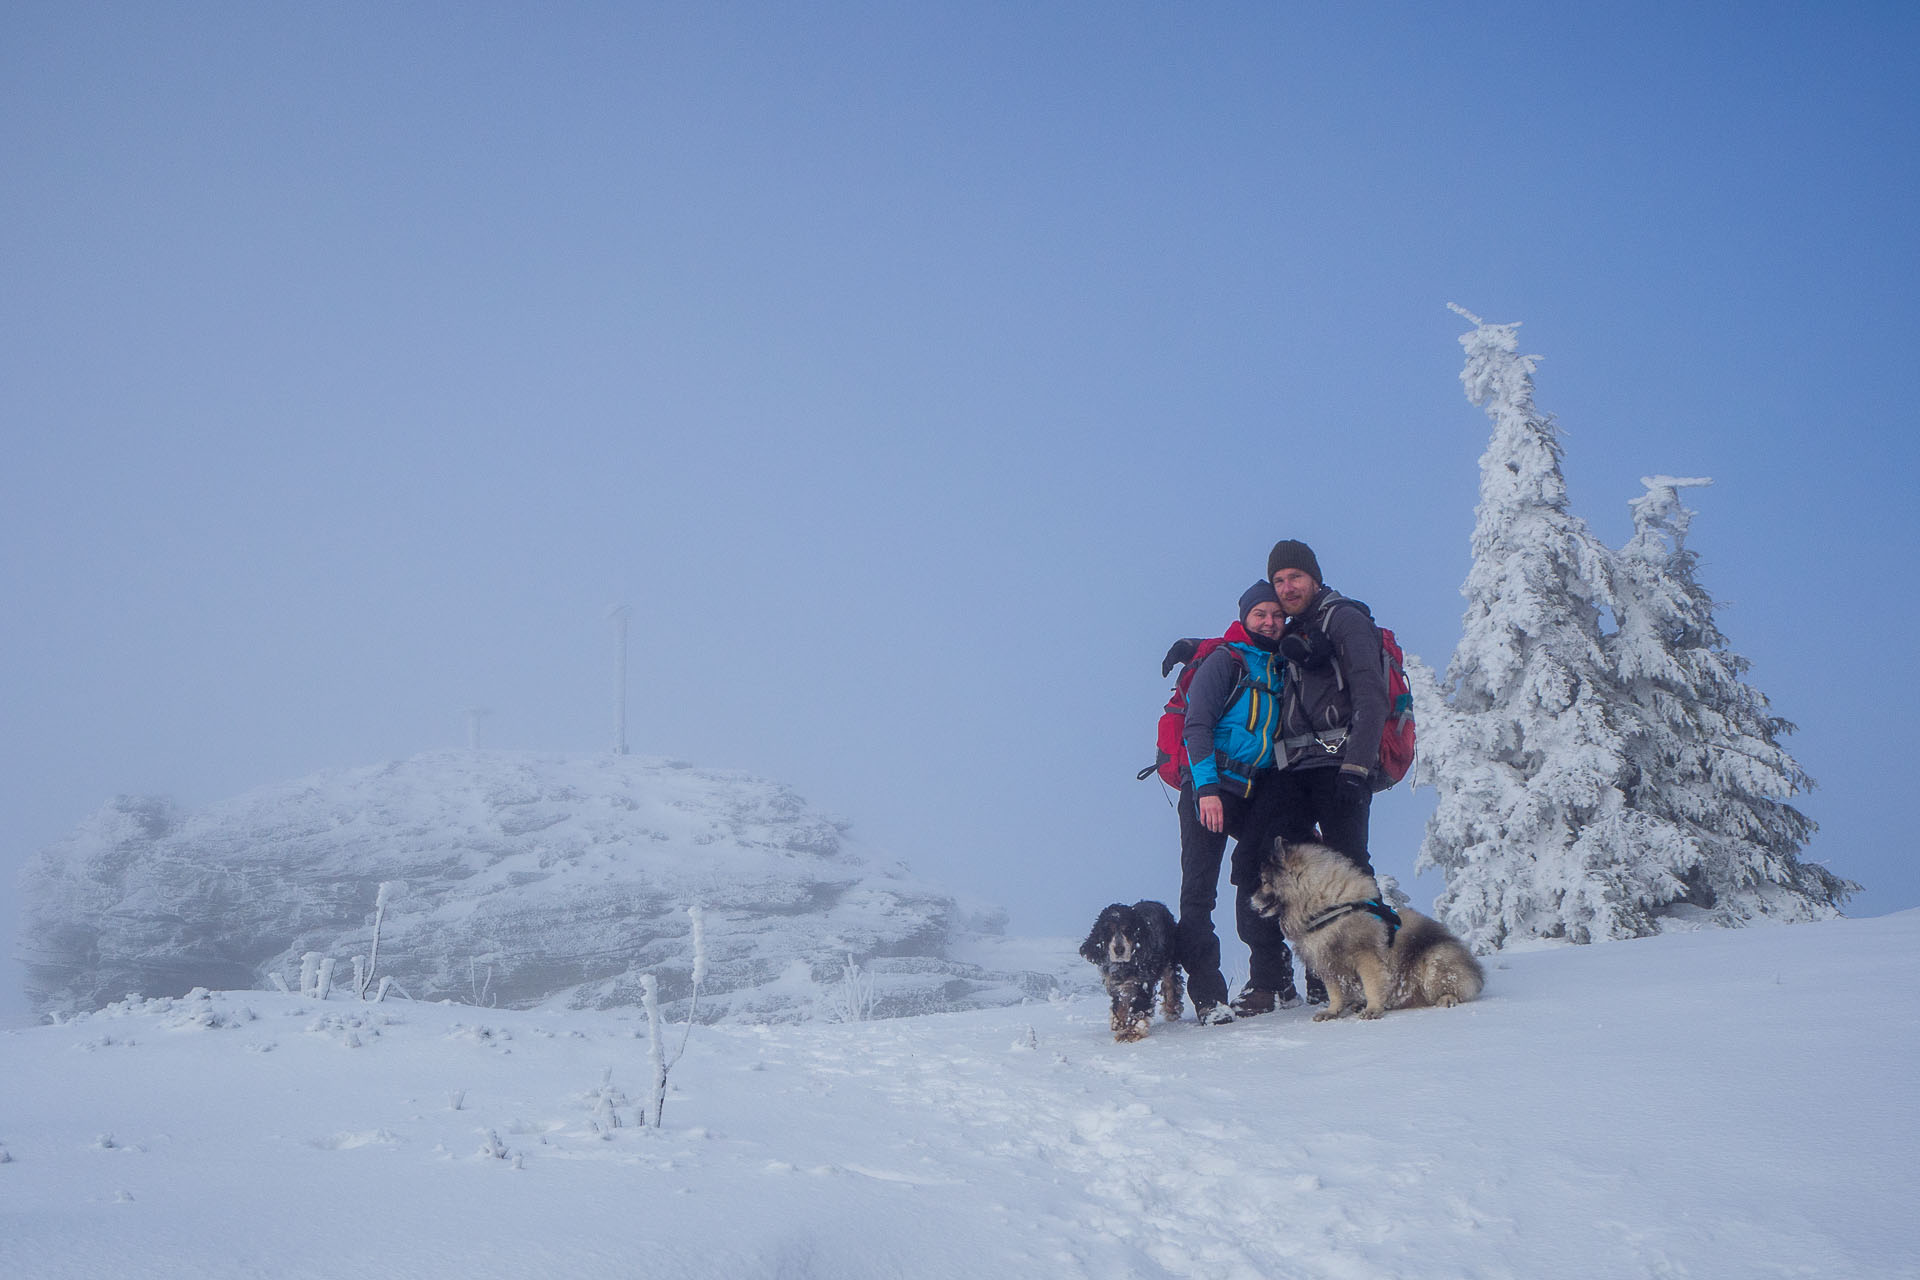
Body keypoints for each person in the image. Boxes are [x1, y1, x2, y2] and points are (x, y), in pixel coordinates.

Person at [1259, 538, 1392, 1006]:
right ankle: (1327, 977)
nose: (1287, 587)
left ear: (1314, 577)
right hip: (1297, 770)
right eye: (1279, 580)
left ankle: (1377, 971)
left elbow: (1372, 695)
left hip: (1340, 764)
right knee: (1302, 881)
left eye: (1295, 577)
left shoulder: (1344, 619)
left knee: (1351, 868)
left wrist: (1357, 766)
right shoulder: (1297, 628)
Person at [1172, 581, 1302, 1023]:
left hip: (1254, 790)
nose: (1269, 622)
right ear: (1245, 617)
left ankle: (1271, 979)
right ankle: (1208, 999)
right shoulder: (1224, 660)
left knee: (1255, 877)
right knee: (1199, 893)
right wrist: (1207, 790)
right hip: (1209, 787)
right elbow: (1197, 725)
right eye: (1260, 614)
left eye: (1276, 615)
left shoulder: (1282, 666)